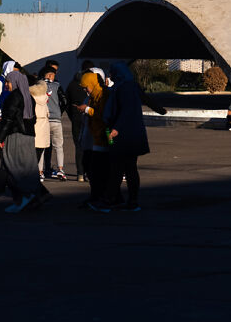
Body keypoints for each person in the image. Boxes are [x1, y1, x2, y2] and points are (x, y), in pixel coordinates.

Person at [97, 61, 167, 212]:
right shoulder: (131, 85)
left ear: (118, 73)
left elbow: (126, 110)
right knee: (130, 169)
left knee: (117, 168)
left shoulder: (123, 88)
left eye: (112, 72)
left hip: (123, 135)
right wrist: (161, 110)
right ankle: (132, 202)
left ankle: (109, 201)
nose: (110, 75)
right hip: (133, 133)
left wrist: (116, 128)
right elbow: (146, 99)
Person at [0, 71, 51, 212]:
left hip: (15, 137)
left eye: (8, 82)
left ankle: (23, 198)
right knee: (27, 169)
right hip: (29, 137)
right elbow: (33, 119)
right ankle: (36, 195)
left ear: (15, 82)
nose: (6, 85)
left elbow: (8, 120)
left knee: (12, 168)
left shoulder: (14, 96)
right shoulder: (28, 97)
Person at [75, 70, 110, 209]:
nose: (85, 90)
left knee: (98, 170)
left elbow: (103, 115)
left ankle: (102, 198)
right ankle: (96, 196)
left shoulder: (103, 95)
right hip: (94, 139)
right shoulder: (93, 95)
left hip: (102, 138)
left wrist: (87, 110)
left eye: (86, 87)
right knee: (92, 168)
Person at [66, 60, 94, 181]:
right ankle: (89, 172)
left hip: (76, 117)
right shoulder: (92, 85)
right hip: (90, 120)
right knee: (91, 147)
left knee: (79, 146)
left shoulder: (72, 84)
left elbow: (66, 103)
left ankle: (80, 173)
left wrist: (73, 115)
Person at [40, 65, 68, 179]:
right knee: (59, 146)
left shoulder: (39, 85)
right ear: (51, 75)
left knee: (41, 146)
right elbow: (64, 101)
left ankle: (40, 171)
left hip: (44, 119)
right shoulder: (57, 85)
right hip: (56, 119)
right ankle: (60, 169)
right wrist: (59, 112)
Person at [29, 79, 51, 181]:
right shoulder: (45, 96)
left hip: (34, 125)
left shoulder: (31, 96)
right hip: (44, 126)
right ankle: (38, 172)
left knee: (31, 153)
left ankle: (33, 173)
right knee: (40, 151)